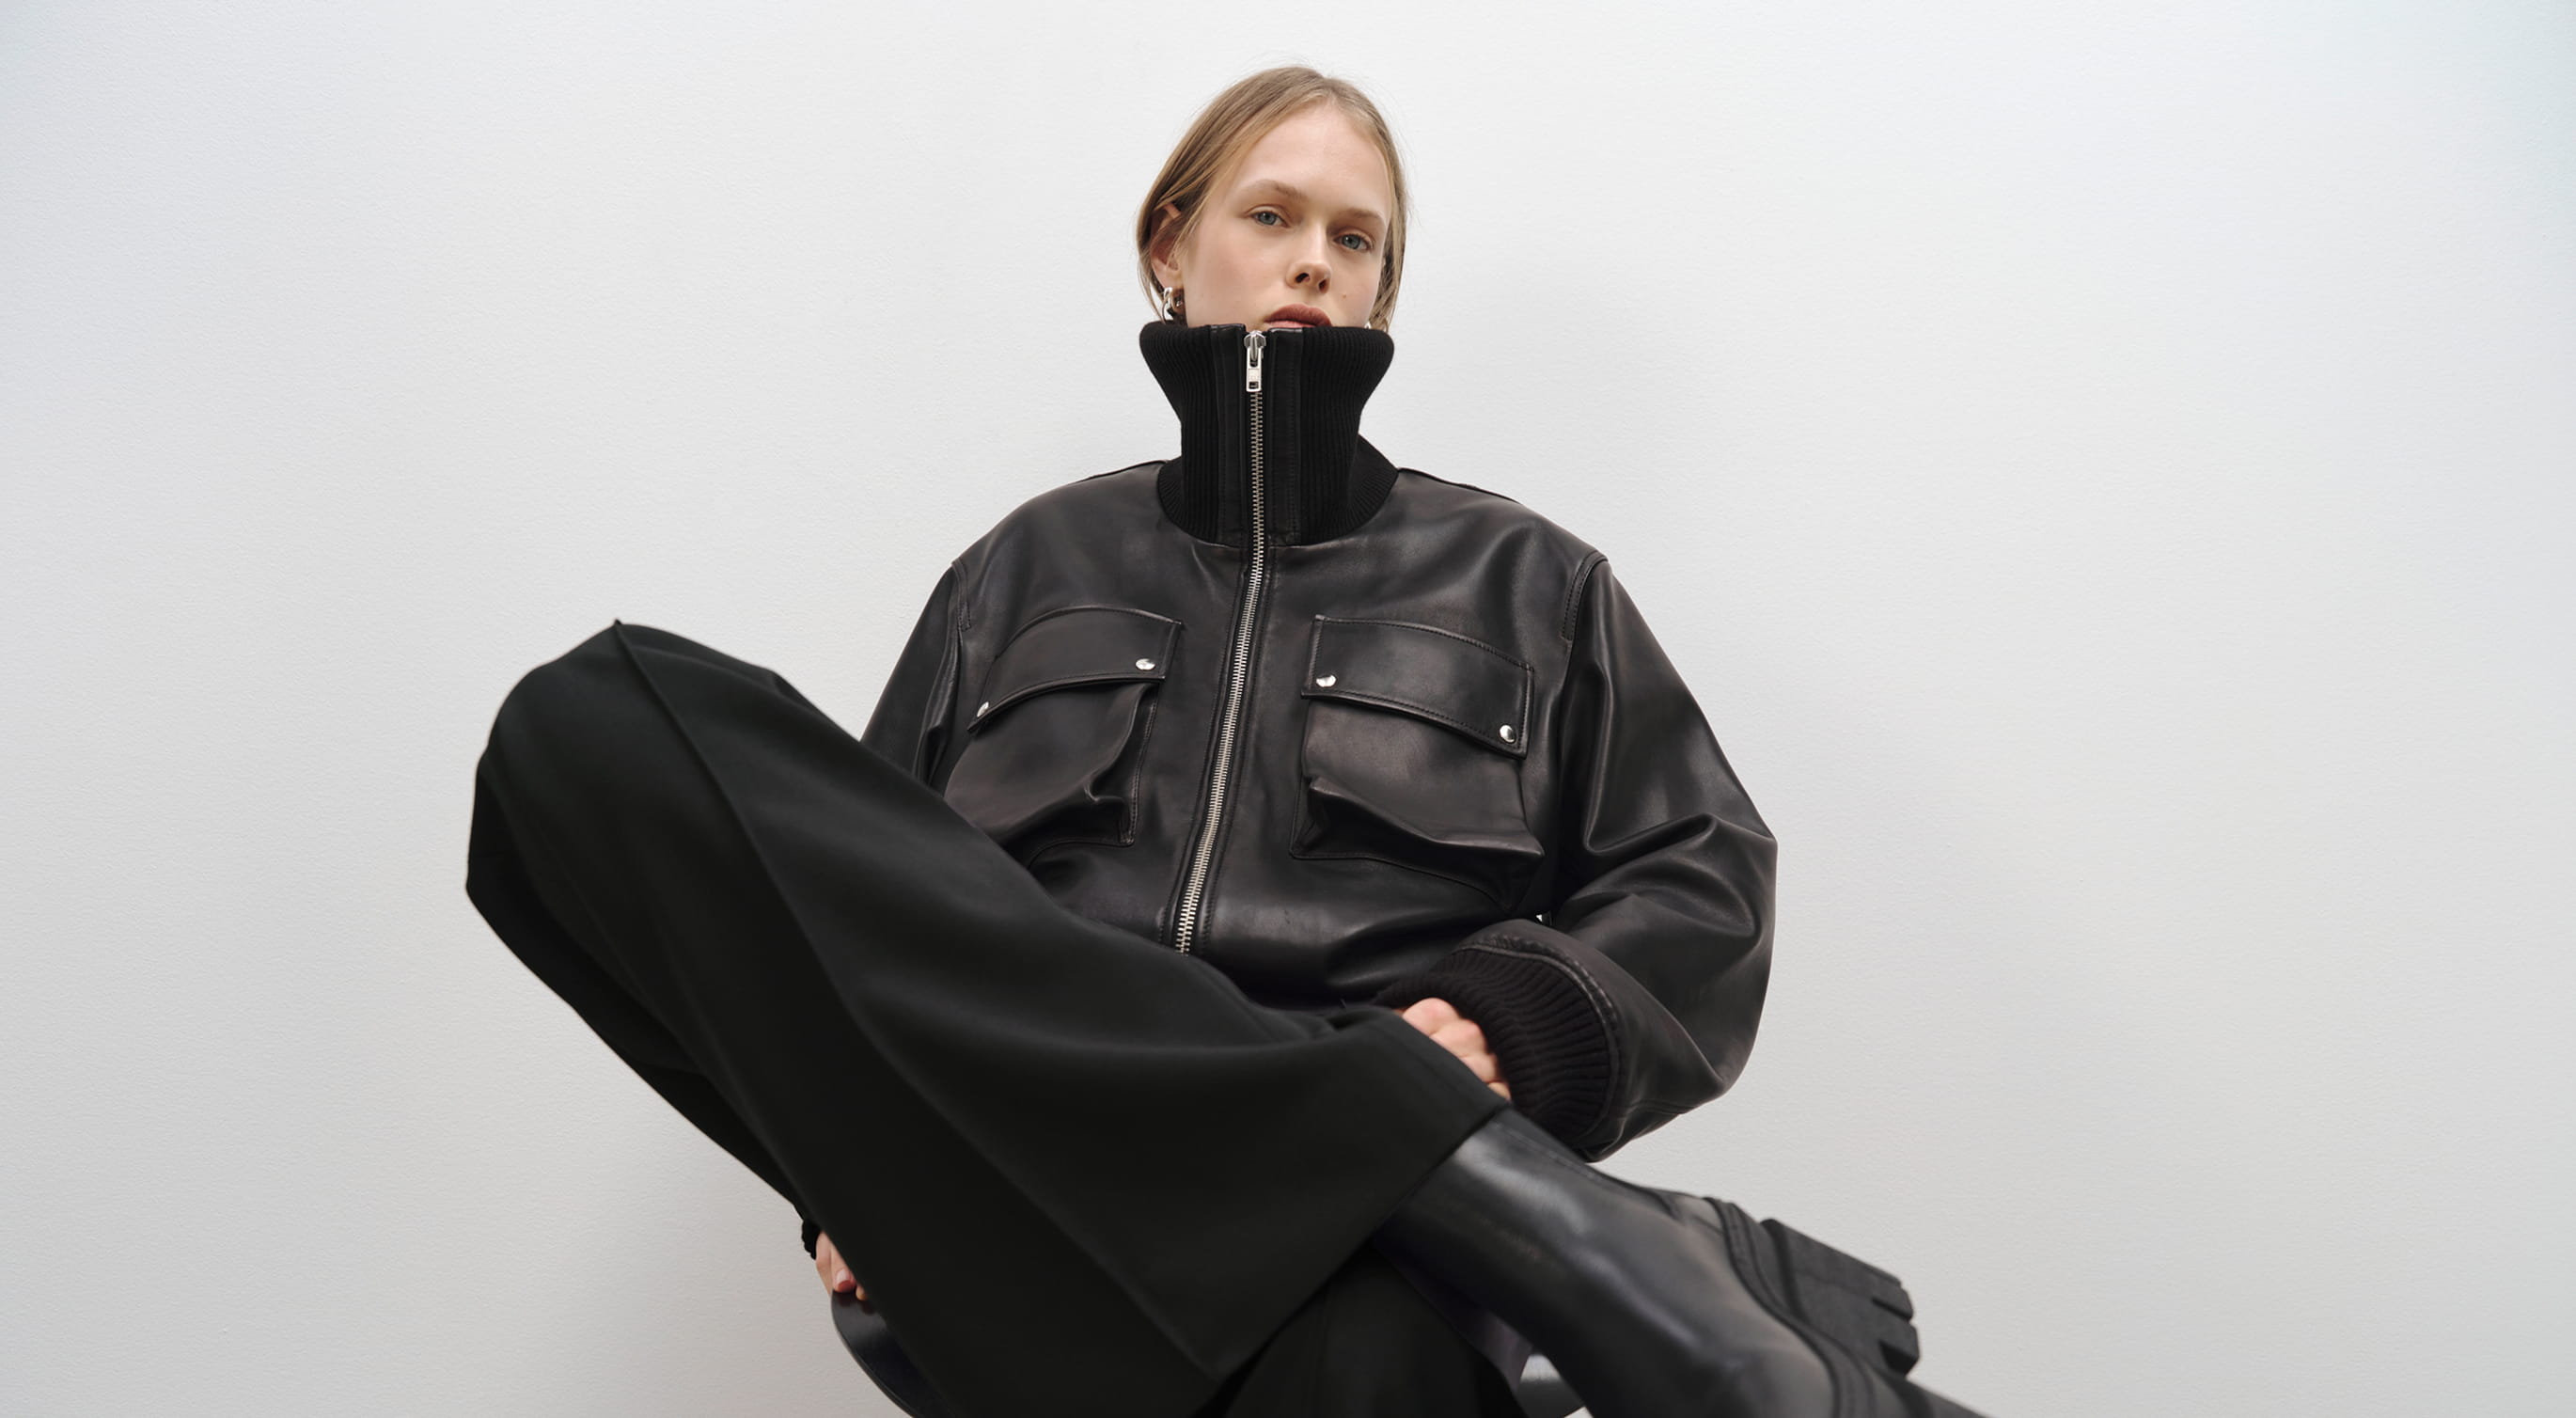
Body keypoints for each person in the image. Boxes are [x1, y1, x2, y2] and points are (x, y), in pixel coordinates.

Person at [466, 67, 1968, 1418]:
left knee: (1361, 1363)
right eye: (1271, 213)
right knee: (583, 725)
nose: (1315, 257)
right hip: (1036, 1181)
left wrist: (1509, 1021)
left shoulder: (1528, 583)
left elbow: (1703, 878)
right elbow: (846, 905)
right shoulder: (1023, 569)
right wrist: (839, 1161)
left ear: (1380, 297)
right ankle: (1616, 1254)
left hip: (1359, 1251)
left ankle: (1422, 1169)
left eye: (1357, 239)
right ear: (1170, 247)